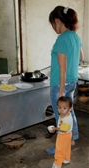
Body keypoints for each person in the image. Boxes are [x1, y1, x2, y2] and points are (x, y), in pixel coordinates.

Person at [47, 6, 84, 147]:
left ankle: (64, 142)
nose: (53, 28)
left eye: (53, 24)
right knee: (69, 112)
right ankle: (72, 137)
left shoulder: (61, 39)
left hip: (60, 84)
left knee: (61, 116)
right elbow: (81, 57)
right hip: (72, 82)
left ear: (57, 21)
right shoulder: (75, 36)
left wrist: (60, 92)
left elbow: (62, 69)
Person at [49, 96, 73, 168]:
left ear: (70, 109)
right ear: (57, 107)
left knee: (59, 149)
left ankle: (57, 164)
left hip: (63, 135)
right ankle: (66, 159)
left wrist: (55, 129)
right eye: (59, 107)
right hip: (68, 135)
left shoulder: (66, 119)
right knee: (66, 147)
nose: (61, 110)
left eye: (64, 108)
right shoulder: (65, 115)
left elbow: (64, 129)